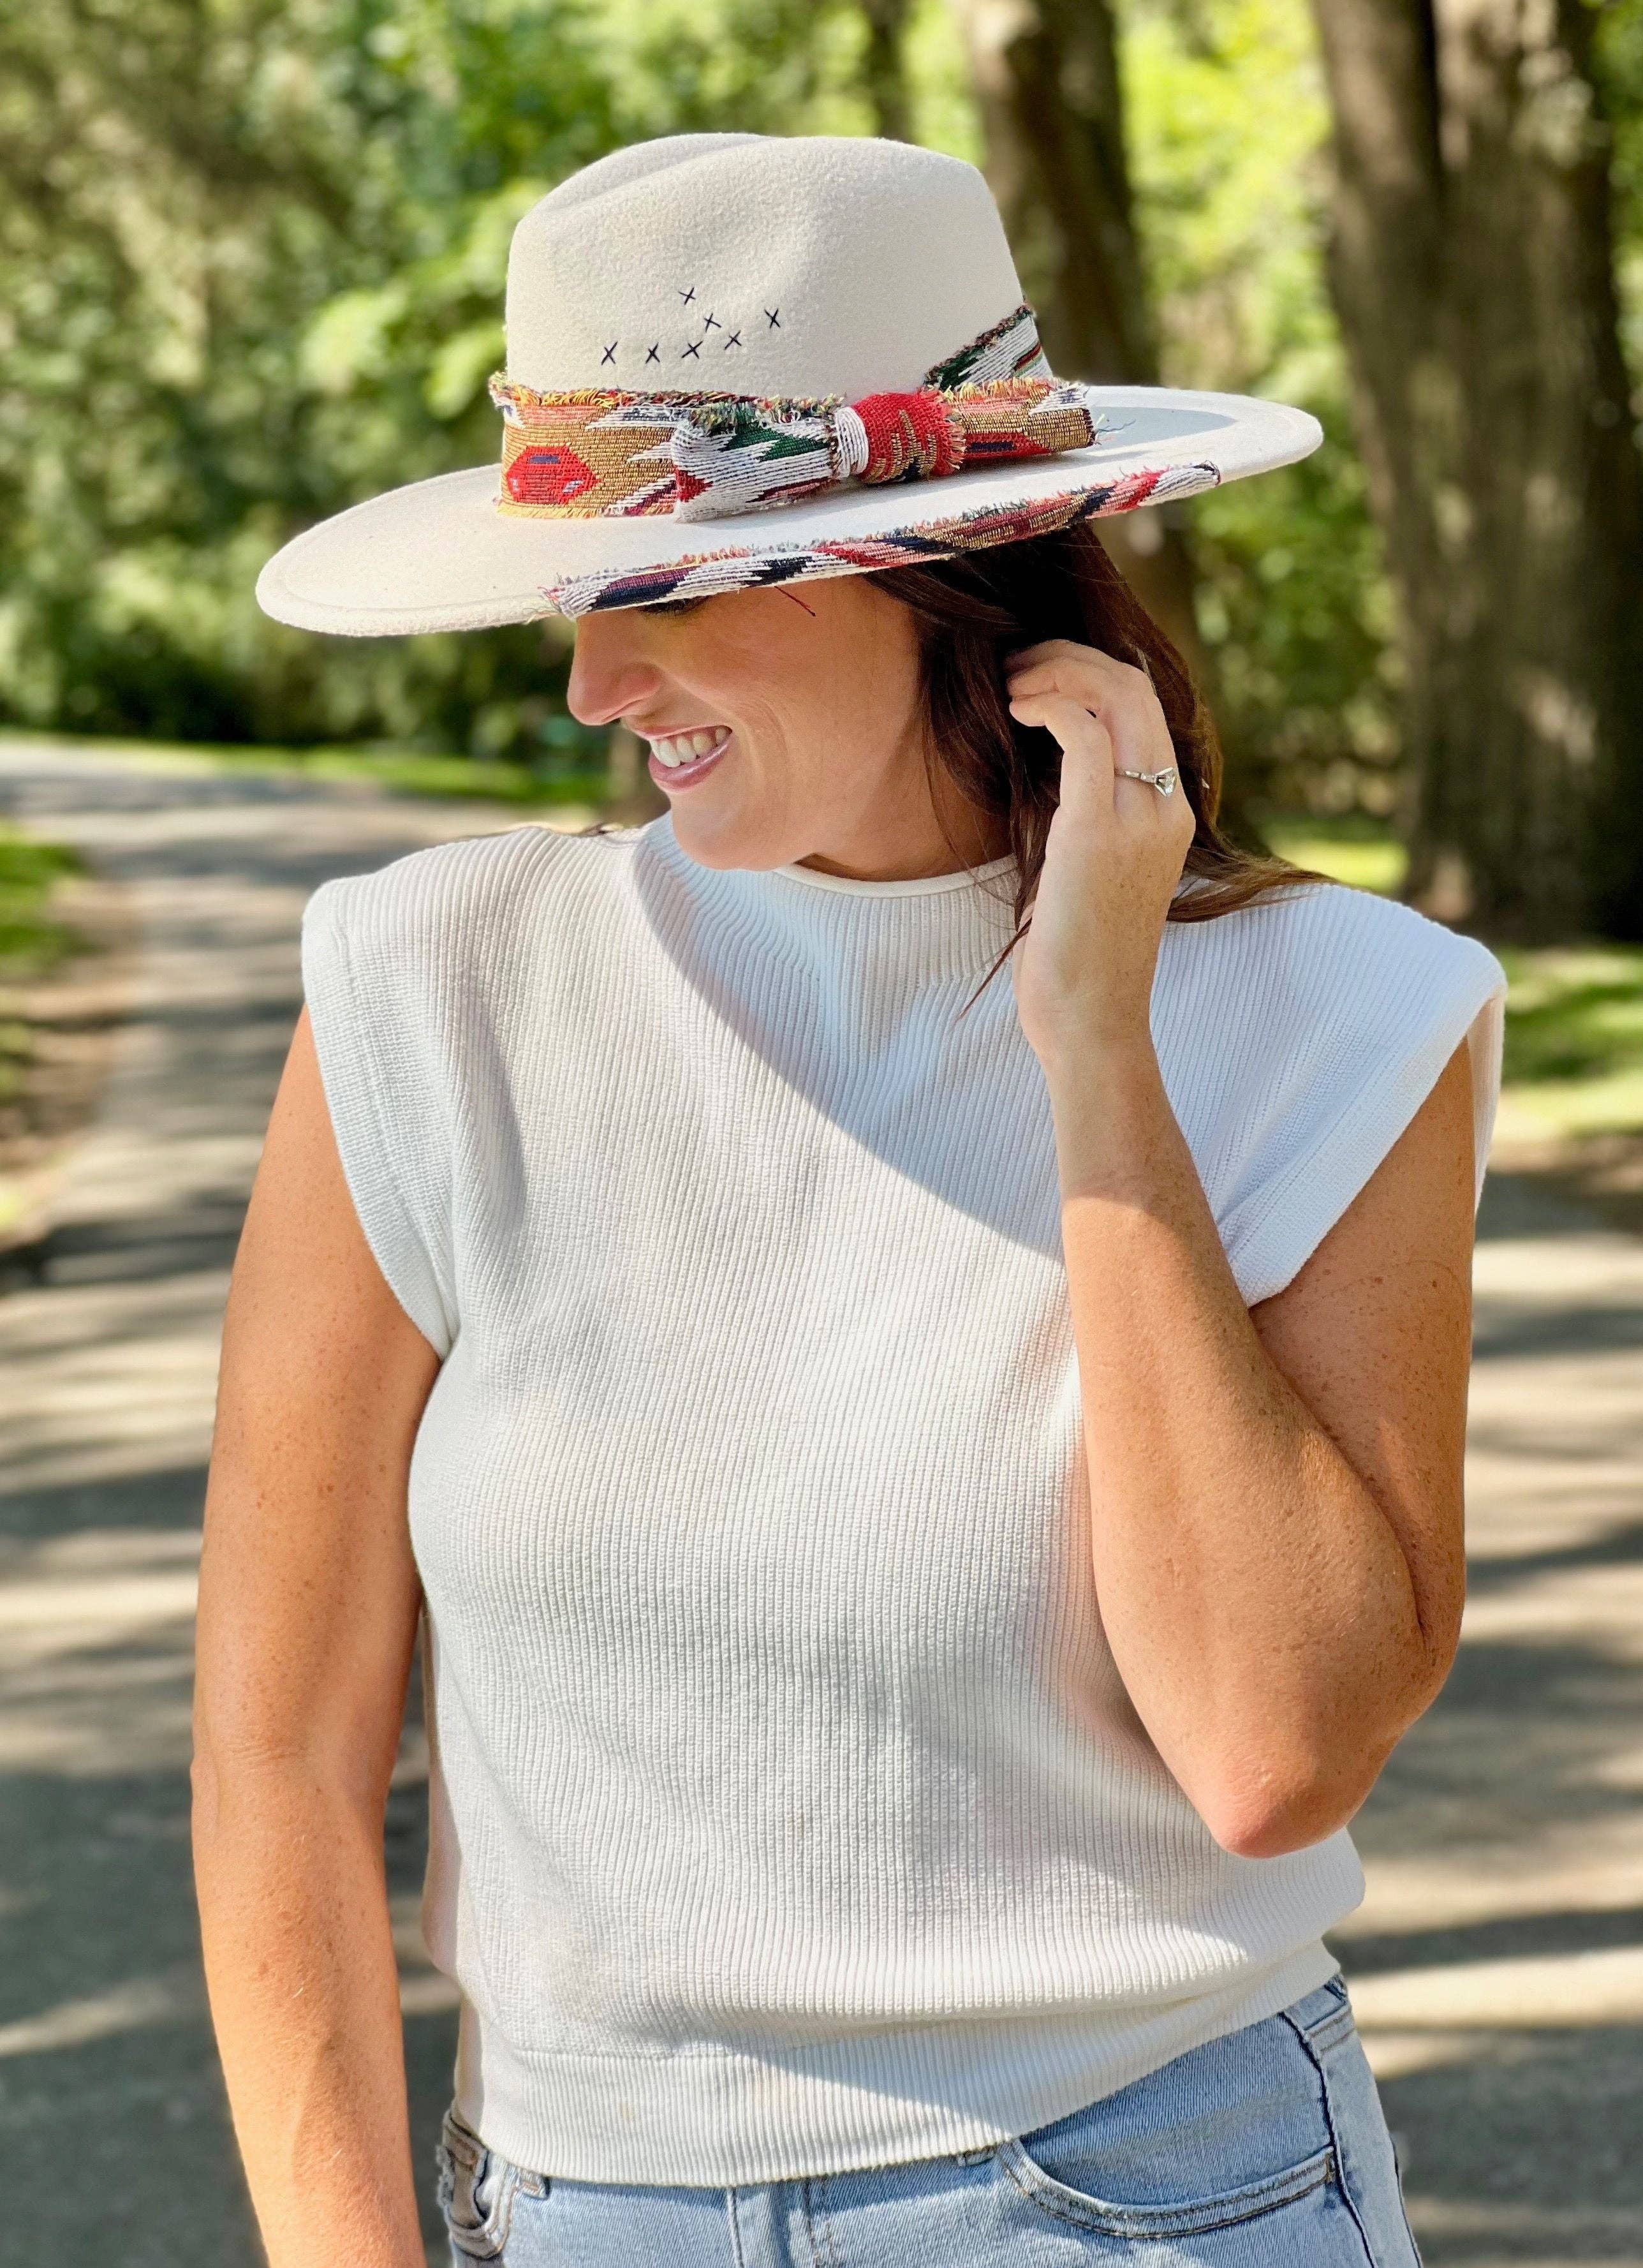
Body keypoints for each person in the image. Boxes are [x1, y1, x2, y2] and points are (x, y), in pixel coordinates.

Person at [194, 133, 1507, 2267]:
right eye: (579, 604)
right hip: (577, 2210)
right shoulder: (431, 991)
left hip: (1150, 2200)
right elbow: (276, 1764)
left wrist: (1095, 1038)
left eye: (665, 597)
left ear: (946, 573)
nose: (592, 695)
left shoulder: (1340, 1016)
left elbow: (1273, 1746)